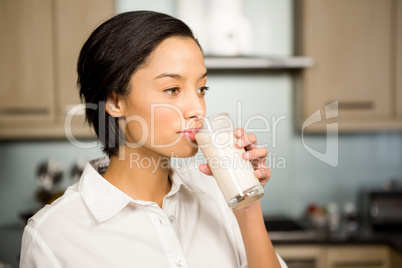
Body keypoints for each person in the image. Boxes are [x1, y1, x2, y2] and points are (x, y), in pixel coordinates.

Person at [20, 11, 286, 268]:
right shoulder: (53, 235)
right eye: (172, 89)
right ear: (114, 102)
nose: (198, 109)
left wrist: (246, 202)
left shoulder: (217, 193)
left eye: (201, 89)